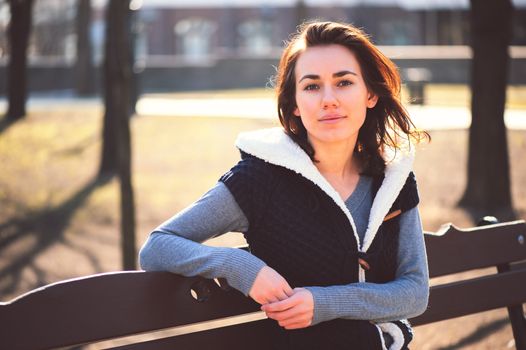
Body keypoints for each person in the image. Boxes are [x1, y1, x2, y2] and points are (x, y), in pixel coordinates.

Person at [139, 21, 430, 350]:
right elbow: (158, 246)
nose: (328, 99)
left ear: (371, 94)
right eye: (311, 87)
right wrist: (241, 267)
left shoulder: (393, 180)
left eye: (344, 82)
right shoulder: (260, 180)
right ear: (294, 104)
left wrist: (323, 303)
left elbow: (415, 292)